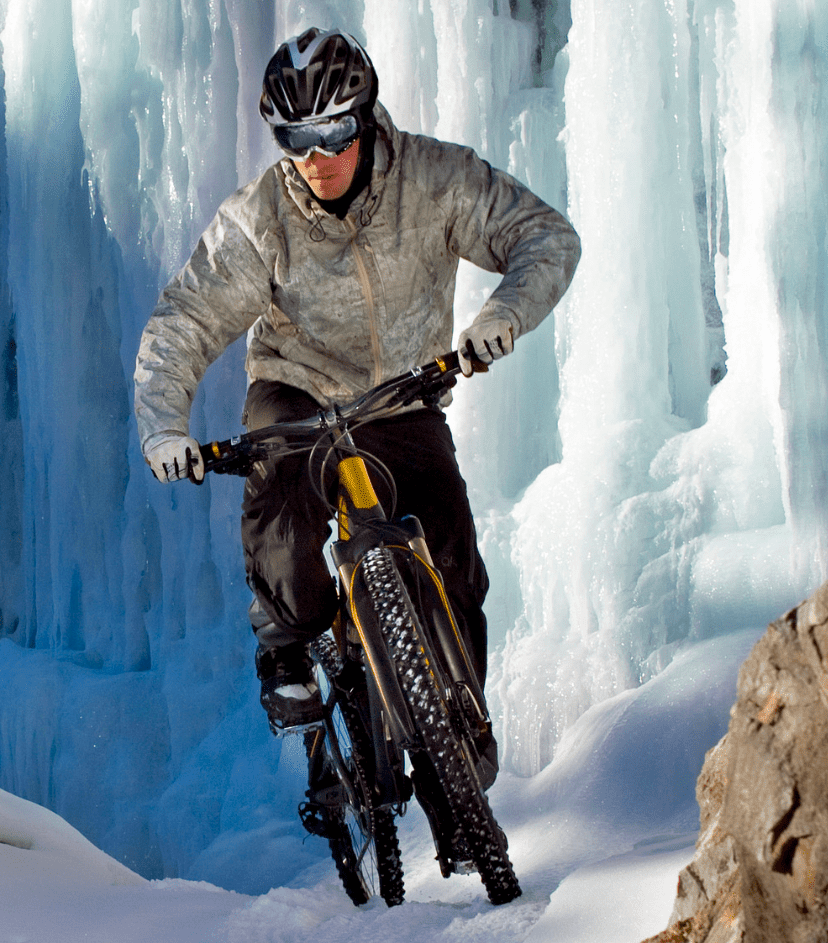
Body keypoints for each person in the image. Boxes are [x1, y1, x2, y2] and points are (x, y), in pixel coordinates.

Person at [132, 29, 580, 771]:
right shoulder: (258, 220)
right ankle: (285, 642)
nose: (319, 159)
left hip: (401, 395)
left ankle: (462, 719)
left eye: (335, 132)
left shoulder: (436, 179)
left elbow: (544, 235)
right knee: (282, 499)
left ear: (366, 116)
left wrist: (501, 316)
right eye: (298, 141)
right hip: (297, 389)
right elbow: (184, 321)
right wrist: (161, 429)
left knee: (456, 558)